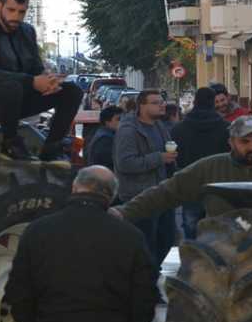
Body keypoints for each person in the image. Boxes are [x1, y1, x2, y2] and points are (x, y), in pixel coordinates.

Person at [5, 166, 158, 322]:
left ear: (75, 187)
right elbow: (145, 296)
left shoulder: (37, 231)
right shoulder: (131, 237)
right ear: (111, 196)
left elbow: (18, 291)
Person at [0, 0, 83, 161]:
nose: (16, 16)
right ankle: (10, 144)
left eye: (21, 12)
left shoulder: (27, 31)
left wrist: (49, 81)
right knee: (12, 86)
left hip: (16, 99)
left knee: (72, 91)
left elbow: (35, 69)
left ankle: (52, 147)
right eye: (11, 10)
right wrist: (31, 81)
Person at [114, 115, 252, 223]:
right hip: (221, 247)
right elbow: (167, 191)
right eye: (245, 141)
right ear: (231, 143)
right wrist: (124, 212)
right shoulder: (211, 167)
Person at [113, 89, 177, 268]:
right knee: (144, 248)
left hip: (162, 195)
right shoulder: (128, 130)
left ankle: (154, 281)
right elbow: (125, 163)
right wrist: (159, 158)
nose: (161, 105)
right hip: (139, 197)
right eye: (155, 103)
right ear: (142, 106)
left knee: (166, 243)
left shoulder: (159, 126)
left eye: (162, 102)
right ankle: (143, 286)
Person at [169, 87, 230, 239]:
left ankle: (193, 254)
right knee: (217, 225)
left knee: (191, 223)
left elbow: (175, 155)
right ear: (212, 103)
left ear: (195, 102)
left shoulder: (179, 129)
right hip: (218, 182)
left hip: (190, 182)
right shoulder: (226, 127)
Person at [87, 106, 123, 170]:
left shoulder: (108, 134)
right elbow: (118, 160)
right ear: (107, 122)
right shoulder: (105, 139)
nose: (122, 122)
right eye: (118, 119)